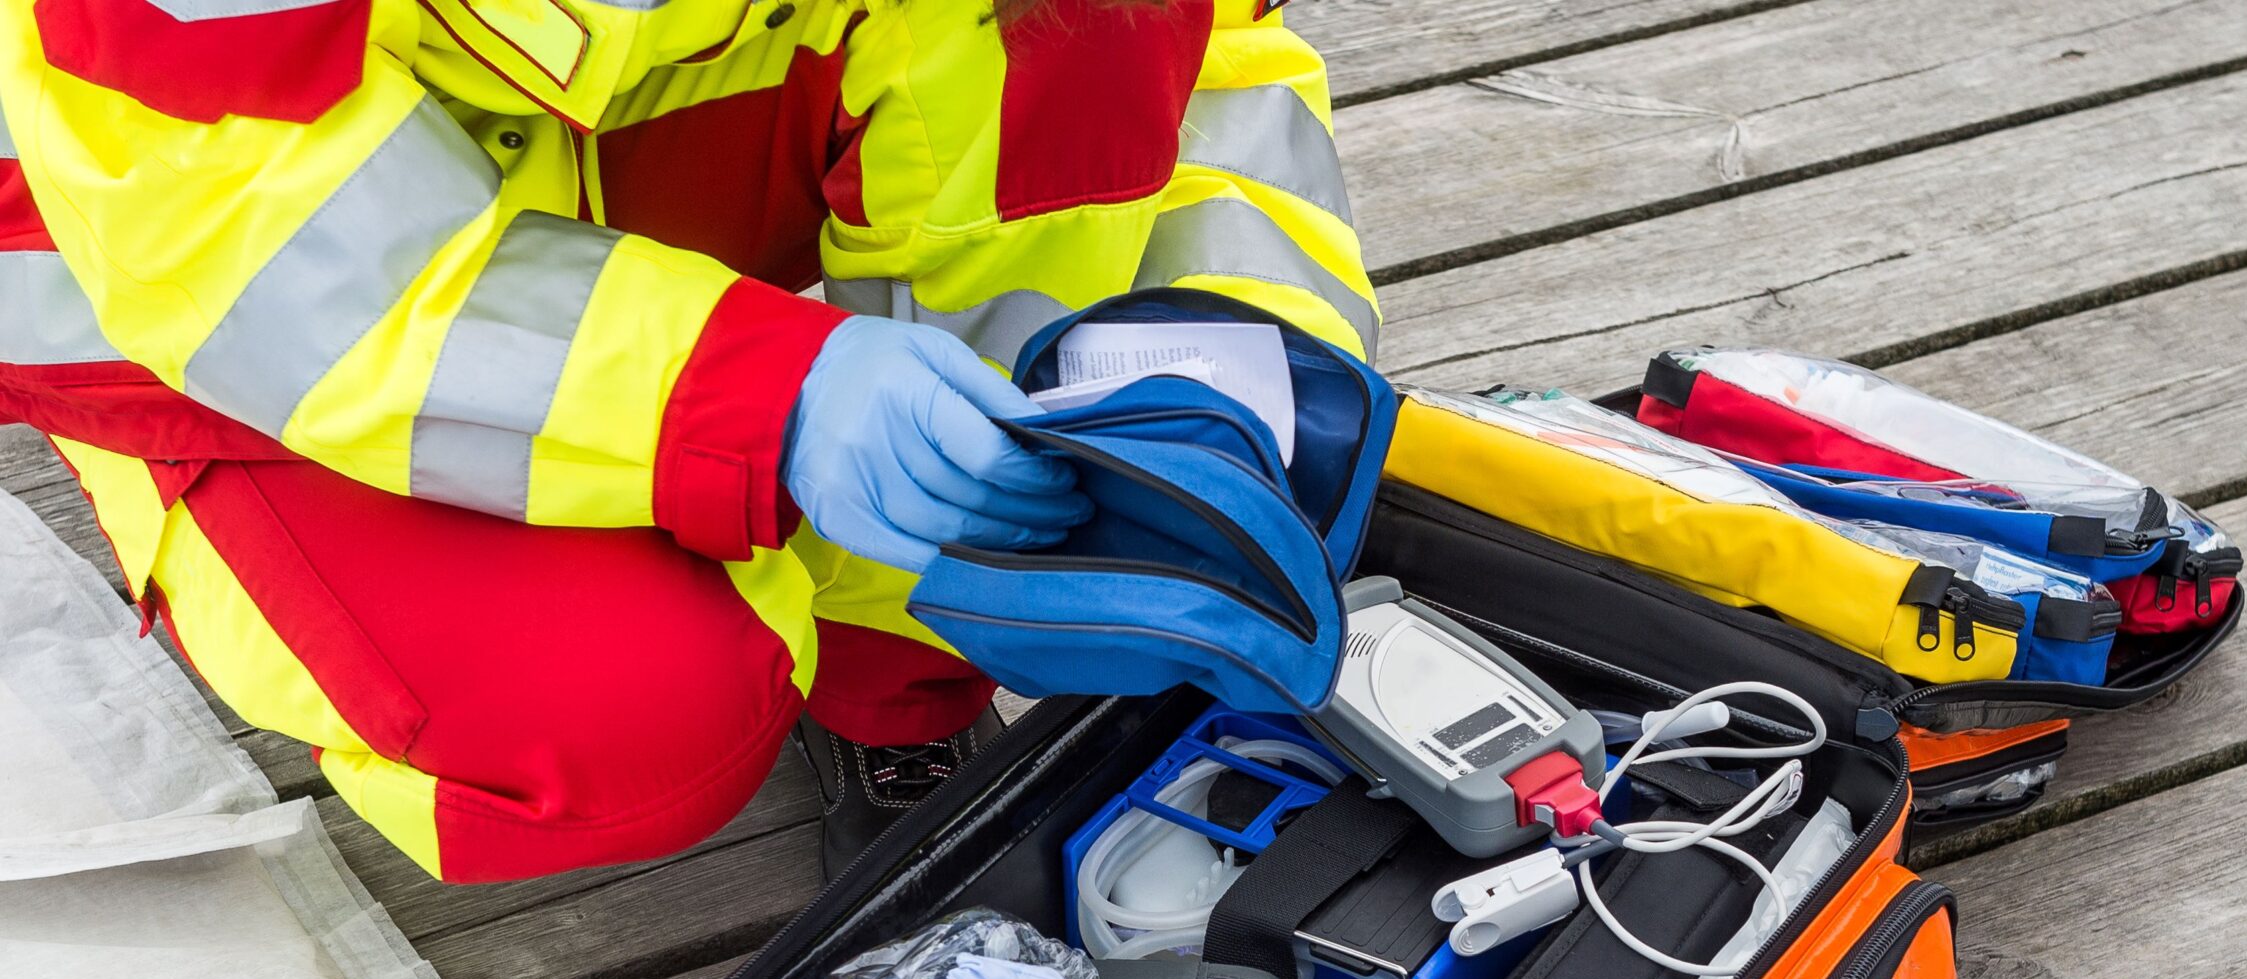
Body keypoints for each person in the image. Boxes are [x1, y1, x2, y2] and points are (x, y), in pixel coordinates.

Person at [0, 0, 1374, 881]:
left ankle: (904, 672)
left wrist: (1245, 356)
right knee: (616, 721)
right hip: (208, 288)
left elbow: (1200, 61)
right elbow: (258, 243)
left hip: (635, 137)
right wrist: (765, 402)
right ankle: (189, 496)